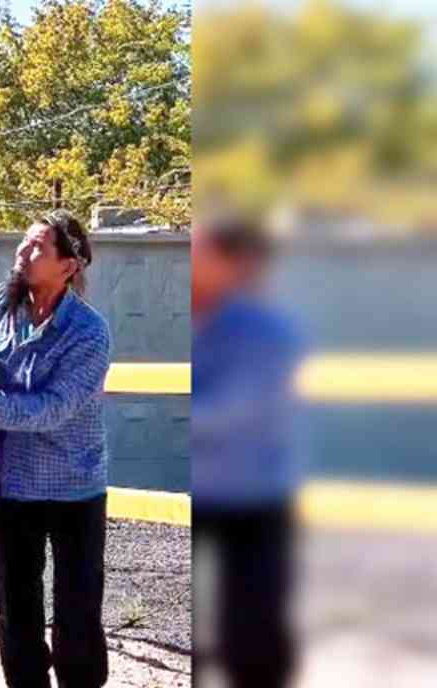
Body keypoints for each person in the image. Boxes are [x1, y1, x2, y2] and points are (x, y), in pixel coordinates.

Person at [0, 210, 112, 688]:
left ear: (68, 266)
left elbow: (53, 409)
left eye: (38, 246)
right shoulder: (2, 302)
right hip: (11, 488)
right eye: (24, 241)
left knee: (77, 616)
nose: (23, 251)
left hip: (74, 490)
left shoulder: (89, 333)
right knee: (16, 613)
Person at [191, 211, 304, 688]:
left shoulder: (265, 330)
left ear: (231, 263)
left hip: (252, 500)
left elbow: (232, 409)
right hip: (205, 493)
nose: (189, 259)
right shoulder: (198, 317)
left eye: (199, 250)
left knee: (252, 635)